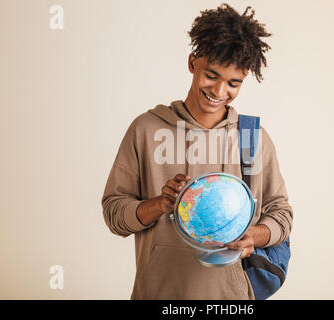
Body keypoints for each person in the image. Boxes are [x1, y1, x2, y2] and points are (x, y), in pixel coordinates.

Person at [101, 3, 294, 300]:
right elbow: (114, 214)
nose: (219, 91)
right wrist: (160, 204)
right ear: (192, 63)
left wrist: (252, 236)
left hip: (230, 299)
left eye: (233, 83)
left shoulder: (252, 138)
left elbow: (281, 215)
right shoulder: (146, 129)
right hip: (158, 294)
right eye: (211, 75)